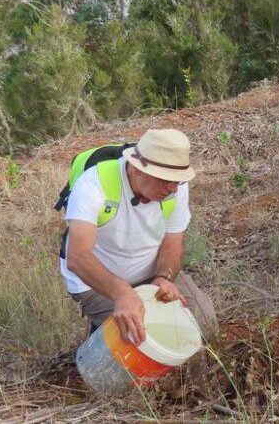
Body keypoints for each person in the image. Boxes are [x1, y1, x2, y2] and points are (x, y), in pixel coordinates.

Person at [59, 128, 217, 344]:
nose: (172, 188)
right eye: (165, 180)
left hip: (150, 272)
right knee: (143, 338)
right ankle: (102, 340)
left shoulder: (176, 188)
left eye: (178, 181)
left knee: (204, 323)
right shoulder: (93, 184)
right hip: (96, 282)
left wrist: (164, 277)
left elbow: (173, 240)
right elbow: (77, 257)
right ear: (137, 168)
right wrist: (121, 292)